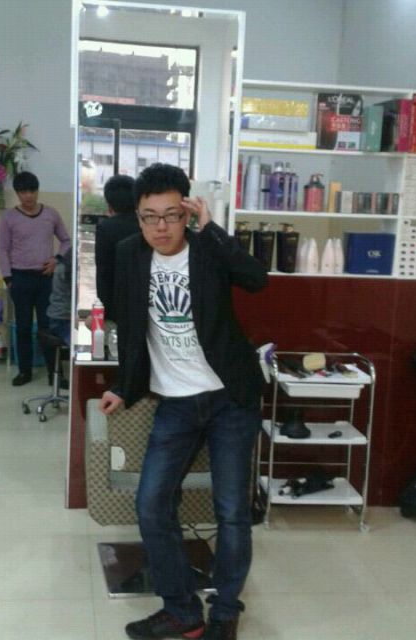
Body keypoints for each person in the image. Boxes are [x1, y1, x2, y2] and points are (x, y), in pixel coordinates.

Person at [99, 163, 268, 640]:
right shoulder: (130, 254)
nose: (161, 227)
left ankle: (225, 612)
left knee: (231, 510)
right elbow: (131, 327)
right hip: (175, 403)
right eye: (149, 216)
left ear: (187, 212)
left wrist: (213, 230)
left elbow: (257, 279)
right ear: (137, 216)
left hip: (230, 399)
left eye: (171, 215)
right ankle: (182, 611)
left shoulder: (208, 248)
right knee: (152, 505)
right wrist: (123, 385)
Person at [0, 171, 71, 386]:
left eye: (32, 191)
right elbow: (3, 250)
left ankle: (54, 374)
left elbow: (66, 241)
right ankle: (25, 371)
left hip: (46, 279)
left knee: (48, 328)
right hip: (20, 278)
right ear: (17, 194)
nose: (28, 196)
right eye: (23, 192)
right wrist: (8, 278)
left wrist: (57, 259)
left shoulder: (51, 214)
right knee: (23, 327)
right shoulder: (9, 218)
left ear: (37, 191)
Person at [95, 174, 139, 321]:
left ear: (109, 203)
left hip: (117, 302)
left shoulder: (106, 227)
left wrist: (104, 308)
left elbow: (103, 272)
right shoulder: (146, 223)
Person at [46, 246, 72, 346]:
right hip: (62, 319)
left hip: (59, 317)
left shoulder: (63, 266)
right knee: (79, 343)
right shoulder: (66, 269)